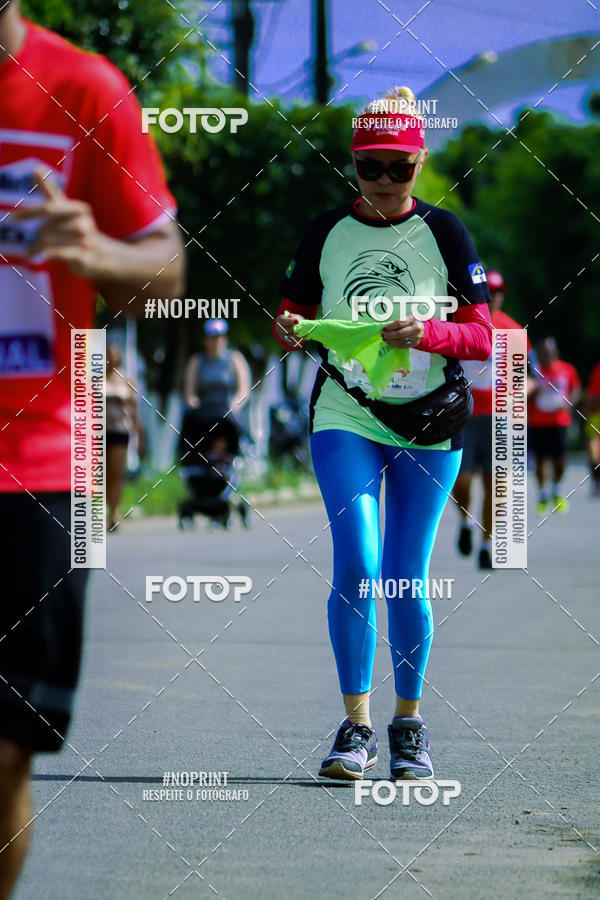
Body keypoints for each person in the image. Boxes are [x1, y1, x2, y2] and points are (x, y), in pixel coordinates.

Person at [0, 4, 184, 896]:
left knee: (3, 753)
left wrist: (98, 250)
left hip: (32, 465)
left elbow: (165, 272)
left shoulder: (83, 89)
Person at [273, 87, 492, 782]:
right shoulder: (325, 231)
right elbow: (291, 314)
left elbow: (484, 338)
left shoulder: (448, 233)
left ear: (421, 163)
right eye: (374, 168)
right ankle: (356, 726)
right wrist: (286, 329)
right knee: (360, 566)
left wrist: (427, 332)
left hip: (432, 423)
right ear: (354, 168)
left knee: (404, 577)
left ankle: (409, 726)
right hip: (348, 413)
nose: (388, 182)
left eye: (402, 167)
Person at [454, 270, 528, 569]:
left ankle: (487, 544)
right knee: (462, 482)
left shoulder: (512, 330)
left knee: (495, 483)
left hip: (499, 418)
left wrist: (519, 397)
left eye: (498, 291)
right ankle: (465, 523)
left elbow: (526, 376)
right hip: (464, 415)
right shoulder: (463, 322)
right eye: (489, 290)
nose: (494, 295)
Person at [528, 338, 581, 514]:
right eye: (543, 353)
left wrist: (570, 402)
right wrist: (533, 390)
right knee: (540, 459)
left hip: (559, 421)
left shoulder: (567, 370)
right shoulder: (534, 372)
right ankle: (543, 493)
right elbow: (522, 392)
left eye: (549, 353)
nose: (546, 356)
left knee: (560, 459)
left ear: (555, 353)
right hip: (538, 421)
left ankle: (557, 489)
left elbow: (576, 389)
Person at [182, 317, 251, 440]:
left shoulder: (235, 359)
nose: (216, 341)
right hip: (203, 411)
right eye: (212, 337)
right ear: (205, 339)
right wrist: (193, 403)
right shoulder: (196, 361)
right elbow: (189, 393)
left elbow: (244, 391)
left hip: (227, 410)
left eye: (220, 336)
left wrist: (235, 405)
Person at [105, 342, 142, 531]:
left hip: (120, 431)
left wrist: (139, 434)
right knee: (99, 475)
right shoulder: (94, 378)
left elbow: (134, 410)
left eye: (113, 353)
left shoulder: (127, 378)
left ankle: (114, 512)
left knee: (116, 474)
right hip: (98, 431)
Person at [583, 361, 600, 498]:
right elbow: (592, 396)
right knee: (594, 452)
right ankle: (596, 482)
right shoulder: (598, 369)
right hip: (596, 415)